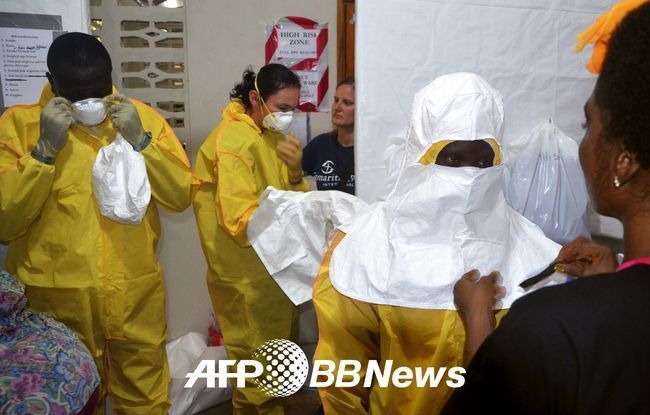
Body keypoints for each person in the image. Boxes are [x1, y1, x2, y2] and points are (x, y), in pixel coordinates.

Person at [443, 2, 650, 413]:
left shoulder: (550, 328)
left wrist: (478, 321)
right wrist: (612, 285)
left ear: (623, 160)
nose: (582, 145)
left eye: (588, 125)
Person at [313, 73, 560, 415]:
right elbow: (342, 376)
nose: (469, 176)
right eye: (453, 159)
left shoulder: (531, 250)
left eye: (483, 161)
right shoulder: (365, 246)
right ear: (421, 154)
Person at [0, 32, 195, 414]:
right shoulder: (19, 125)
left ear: (111, 77)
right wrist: (43, 153)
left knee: (145, 399)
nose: (91, 101)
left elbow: (180, 196)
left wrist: (142, 142)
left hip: (133, 292)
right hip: (55, 301)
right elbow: (5, 223)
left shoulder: (142, 119)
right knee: (68, 401)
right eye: (77, 93)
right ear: (53, 82)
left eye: (99, 89)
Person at [193, 64, 310, 414]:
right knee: (257, 380)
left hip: (273, 275)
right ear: (255, 98)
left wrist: (295, 175)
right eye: (282, 108)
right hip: (245, 278)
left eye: (293, 109)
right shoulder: (233, 140)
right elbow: (239, 218)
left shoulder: (270, 137)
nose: (287, 116)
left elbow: (293, 203)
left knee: (278, 372)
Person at [302, 77, 355, 194]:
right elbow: (291, 178)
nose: (337, 107)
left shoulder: (370, 151)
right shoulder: (320, 144)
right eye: (336, 100)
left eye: (347, 103)